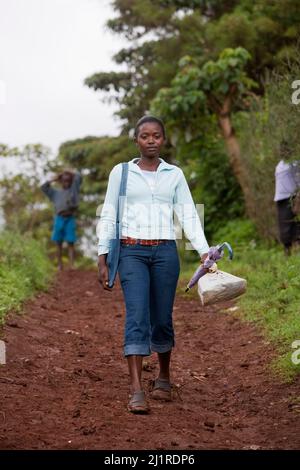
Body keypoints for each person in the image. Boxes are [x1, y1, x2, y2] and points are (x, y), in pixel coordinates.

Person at [97, 116, 209, 414]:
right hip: (131, 251)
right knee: (137, 315)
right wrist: (102, 255)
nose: (150, 140)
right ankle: (136, 389)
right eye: (144, 136)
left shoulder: (174, 174)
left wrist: (203, 251)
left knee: (162, 316)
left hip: (165, 253)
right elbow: (108, 213)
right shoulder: (121, 173)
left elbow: (188, 214)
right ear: (136, 140)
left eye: (156, 136)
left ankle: (163, 376)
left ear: (163, 140)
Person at [41, 170, 82, 270]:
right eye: (64, 181)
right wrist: (55, 178)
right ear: (61, 181)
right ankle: (60, 266)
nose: (66, 183)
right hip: (59, 218)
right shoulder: (55, 193)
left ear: (71, 181)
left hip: (70, 218)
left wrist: (68, 172)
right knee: (58, 243)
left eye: (68, 181)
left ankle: (71, 265)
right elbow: (43, 187)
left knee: (70, 242)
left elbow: (78, 176)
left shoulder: (73, 190)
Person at [274, 142, 300, 255]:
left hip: (292, 197)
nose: (283, 152)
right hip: (281, 198)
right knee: (284, 224)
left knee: (296, 222)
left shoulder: (295, 163)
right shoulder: (279, 165)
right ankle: (287, 250)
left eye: (285, 150)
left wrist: (298, 197)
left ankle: (297, 247)